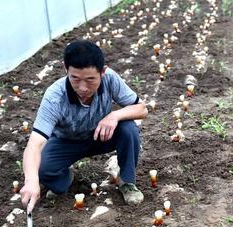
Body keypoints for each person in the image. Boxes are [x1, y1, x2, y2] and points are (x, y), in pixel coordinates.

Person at [20, 40, 148, 212]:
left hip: (101, 135)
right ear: (66, 69)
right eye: (75, 78)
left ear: (103, 72)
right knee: (42, 170)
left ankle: (127, 182)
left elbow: (142, 108)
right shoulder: (54, 97)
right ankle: (68, 178)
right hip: (67, 142)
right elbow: (34, 144)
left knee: (128, 128)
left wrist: (114, 115)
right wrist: (31, 181)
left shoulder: (110, 79)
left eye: (90, 80)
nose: (83, 87)